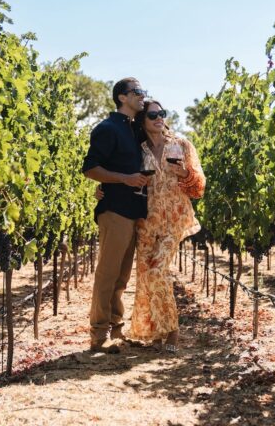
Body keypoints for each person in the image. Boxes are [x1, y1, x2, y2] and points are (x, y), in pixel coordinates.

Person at [127, 100, 206, 353]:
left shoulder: (181, 146)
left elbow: (199, 188)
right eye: (153, 115)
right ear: (143, 120)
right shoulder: (136, 150)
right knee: (145, 276)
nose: (159, 117)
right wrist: (101, 190)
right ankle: (155, 332)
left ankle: (172, 331)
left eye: (162, 113)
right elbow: (125, 181)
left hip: (174, 219)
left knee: (158, 270)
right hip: (146, 222)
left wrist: (184, 174)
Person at [81, 77, 149, 354]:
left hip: (134, 211)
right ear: (122, 97)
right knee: (108, 273)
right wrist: (124, 179)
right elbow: (90, 169)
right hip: (115, 211)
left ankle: (116, 328)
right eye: (138, 92)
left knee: (122, 276)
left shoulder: (134, 130)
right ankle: (98, 335)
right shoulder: (107, 129)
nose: (143, 96)